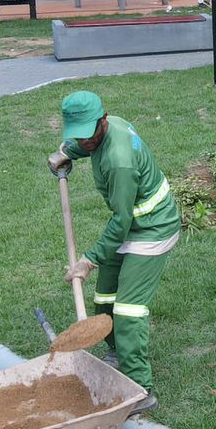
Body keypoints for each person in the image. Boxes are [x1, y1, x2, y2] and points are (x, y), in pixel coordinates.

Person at [47, 91, 176, 412]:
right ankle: (118, 351)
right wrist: (67, 152)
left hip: (153, 228)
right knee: (104, 297)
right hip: (131, 223)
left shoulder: (118, 161)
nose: (84, 141)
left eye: (88, 133)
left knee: (129, 310)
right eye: (77, 134)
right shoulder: (111, 126)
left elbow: (120, 221)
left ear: (103, 120)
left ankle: (140, 389)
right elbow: (85, 144)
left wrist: (88, 261)